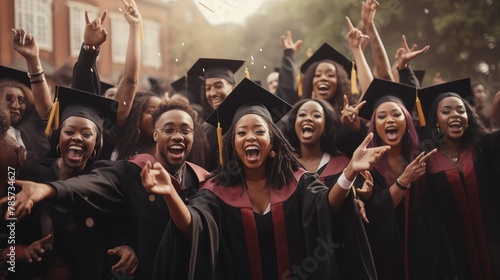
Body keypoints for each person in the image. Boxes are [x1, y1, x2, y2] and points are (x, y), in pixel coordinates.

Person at [142, 78, 390, 279]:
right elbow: (194, 227)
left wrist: (349, 173)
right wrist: (171, 194)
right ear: (232, 144)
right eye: (241, 132)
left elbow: (325, 207)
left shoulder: (297, 181)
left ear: (273, 141)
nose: (250, 137)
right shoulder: (216, 190)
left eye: (259, 131)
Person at [5, 100, 210, 280]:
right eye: (169, 129)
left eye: (185, 130)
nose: (177, 136)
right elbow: (93, 183)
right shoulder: (129, 171)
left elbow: (119, 224)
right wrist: (47, 189)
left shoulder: (202, 181)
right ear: (155, 134)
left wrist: (128, 245)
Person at [16, 86, 137, 280]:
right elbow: (10, 230)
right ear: (59, 137)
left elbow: (119, 226)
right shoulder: (33, 172)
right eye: (69, 131)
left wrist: (128, 246)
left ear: (97, 143)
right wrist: (19, 251)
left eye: (87, 134)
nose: (77, 138)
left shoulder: (102, 177)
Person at [415, 78, 500, 279]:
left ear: (469, 116)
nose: (455, 115)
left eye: (461, 110)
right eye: (446, 111)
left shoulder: (484, 147)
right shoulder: (426, 160)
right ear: (435, 120)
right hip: (452, 255)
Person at [282, 98, 377, 279]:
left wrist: (358, 200)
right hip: (294, 251)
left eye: (316, 115)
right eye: (302, 114)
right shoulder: (283, 167)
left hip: (334, 251)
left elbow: (353, 200)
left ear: (325, 126)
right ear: (294, 124)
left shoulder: (343, 164)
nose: (308, 118)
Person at [357, 78, 436, 280]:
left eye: (396, 114)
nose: (390, 119)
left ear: (408, 121)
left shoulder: (422, 155)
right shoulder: (366, 163)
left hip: (420, 245)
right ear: (374, 126)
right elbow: (374, 211)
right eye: (382, 116)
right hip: (383, 254)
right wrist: (404, 180)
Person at [1, 27, 54, 159]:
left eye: (21, 100)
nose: (15, 105)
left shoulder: (33, 128)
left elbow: (46, 109)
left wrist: (33, 59)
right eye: (8, 99)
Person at [187, 58, 245, 171]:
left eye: (218, 86)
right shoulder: (206, 131)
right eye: (208, 88)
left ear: (233, 88)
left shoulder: (247, 121)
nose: (212, 93)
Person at [110, 91, 162, 160]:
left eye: (160, 114)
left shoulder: (158, 149)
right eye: (151, 112)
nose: (156, 117)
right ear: (136, 112)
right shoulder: (117, 137)